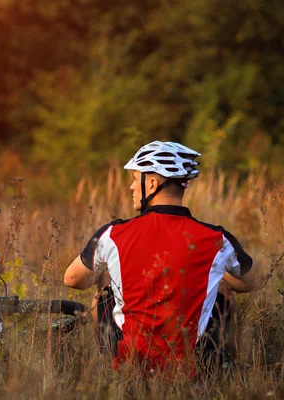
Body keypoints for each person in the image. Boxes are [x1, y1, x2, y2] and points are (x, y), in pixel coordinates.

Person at [63, 140, 262, 376]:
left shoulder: (113, 234)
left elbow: (73, 279)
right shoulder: (217, 239)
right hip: (190, 367)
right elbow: (252, 282)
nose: (131, 187)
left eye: (135, 180)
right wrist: (217, 278)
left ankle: (109, 368)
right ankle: (225, 371)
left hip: (131, 365)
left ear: (152, 183)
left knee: (103, 297)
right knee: (223, 293)